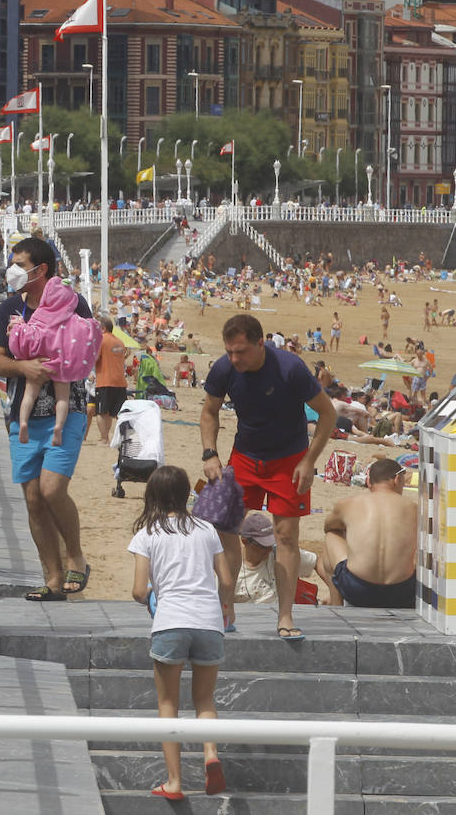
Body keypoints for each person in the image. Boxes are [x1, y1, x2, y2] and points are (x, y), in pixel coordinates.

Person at [200, 313, 335, 640]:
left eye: (241, 351)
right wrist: (210, 453)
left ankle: (285, 616)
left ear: (261, 344)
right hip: (245, 456)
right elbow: (208, 411)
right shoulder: (224, 368)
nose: (235, 359)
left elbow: (328, 414)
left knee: (286, 535)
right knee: (224, 527)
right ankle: (225, 607)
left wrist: (309, 460)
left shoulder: (289, 368)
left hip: (289, 460)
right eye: (230, 351)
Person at [0, 237, 93, 601]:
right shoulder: (10, 308)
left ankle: (76, 554)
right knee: (33, 498)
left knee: (51, 489)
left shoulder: (74, 303)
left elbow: (87, 348)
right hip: (24, 413)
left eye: (19, 263)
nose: (12, 269)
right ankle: (52, 578)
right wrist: (25, 367)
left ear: (41, 269)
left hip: (69, 407)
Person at [128, 466, 232, 801]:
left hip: (171, 620)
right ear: (188, 492)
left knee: (168, 702)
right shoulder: (206, 529)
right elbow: (226, 579)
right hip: (209, 621)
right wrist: (225, 606)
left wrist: (152, 595)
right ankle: (211, 753)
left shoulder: (148, 532)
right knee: (204, 698)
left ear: (153, 495)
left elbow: (137, 590)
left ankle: (174, 781)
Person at [6, 279, 101, 446]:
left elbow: (29, 334)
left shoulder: (40, 314)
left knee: (29, 395)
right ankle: (58, 427)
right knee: (63, 398)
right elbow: (89, 330)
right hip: (61, 365)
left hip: (39, 363)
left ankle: (23, 422)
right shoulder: (73, 319)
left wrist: (17, 328)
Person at [319, 458, 418, 608]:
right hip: (403, 592)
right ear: (397, 480)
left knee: (332, 535)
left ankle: (336, 604)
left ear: (369, 483)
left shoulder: (348, 504)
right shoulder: (414, 508)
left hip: (358, 590)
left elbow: (328, 526)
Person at [234, 511, 327, 606]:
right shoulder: (232, 568)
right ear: (245, 541)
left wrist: (333, 591)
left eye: (270, 544)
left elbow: (317, 562)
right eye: (263, 546)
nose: (269, 549)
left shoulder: (278, 554)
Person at [93, 317, 129, 444]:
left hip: (105, 380)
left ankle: (104, 438)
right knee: (118, 412)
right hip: (120, 381)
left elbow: (95, 358)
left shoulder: (101, 340)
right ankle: (121, 438)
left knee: (102, 412)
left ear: (103, 328)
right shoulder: (120, 342)